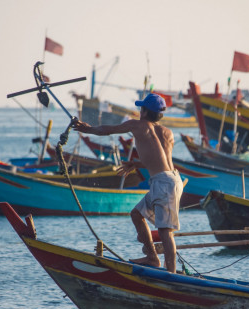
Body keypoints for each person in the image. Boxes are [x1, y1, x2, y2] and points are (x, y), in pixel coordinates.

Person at [72, 93, 183, 273]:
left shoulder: (137, 125)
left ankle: (171, 274)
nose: (140, 111)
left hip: (163, 183)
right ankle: (152, 257)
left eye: (142, 108)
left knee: (165, 231)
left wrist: (88, 129)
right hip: (171, 179)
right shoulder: (167, 133)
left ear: (146, 112)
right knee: (136, 214)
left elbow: (107, 130)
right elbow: (161, 161)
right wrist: (135, 164)